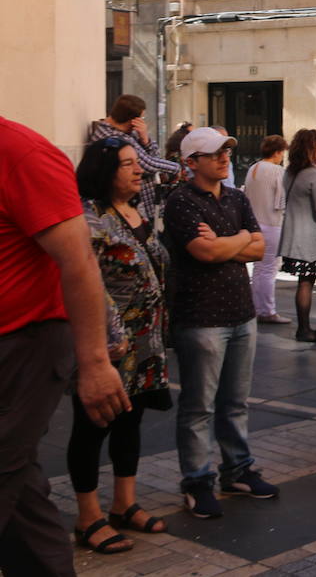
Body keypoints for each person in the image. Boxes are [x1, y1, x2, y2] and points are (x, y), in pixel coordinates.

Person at [0, 118, 129, 573]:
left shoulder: (22, 153)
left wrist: (95, 364)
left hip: (25, 343)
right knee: (19, 489)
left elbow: (79, 263)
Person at [161, 127, 276, 519]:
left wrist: (235, 239)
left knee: (235, 402)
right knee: (199, 407)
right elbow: (204, 252)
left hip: (240, 313)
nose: (225, 158)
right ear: (191, 163)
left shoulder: (237, 197)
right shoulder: (180, 202)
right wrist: (240, 240)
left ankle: (238, 469)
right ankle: (196, 480)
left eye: (227, 152)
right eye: (214, 154)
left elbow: (260, 248)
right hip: (201, 316)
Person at [68, 139, 173, 553]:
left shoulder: (138, 211)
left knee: (131, 422)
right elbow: (85, 282)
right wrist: (107, 339)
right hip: (106, 344)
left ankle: (124, 504)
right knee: (93, 426)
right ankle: (87, 516)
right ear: (104, 170)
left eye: (137, 164)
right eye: (128, 165)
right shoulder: (88, 217)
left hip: (146, 342)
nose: (138, 171)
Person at [88, 94, 183, 218]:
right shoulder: (114, 137)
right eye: (141, 118)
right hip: (128, 204)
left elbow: (156, 157)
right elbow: (148, 164)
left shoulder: (128, 133)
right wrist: (176, 168)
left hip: (140, 205)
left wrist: (145, 139)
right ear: (133, 119)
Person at [279, 130, 316, 343]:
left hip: (293, 234)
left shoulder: (290, 171)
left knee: (305, 281)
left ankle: (304, 326)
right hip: (309, 238)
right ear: (311, 148)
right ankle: (304, 329)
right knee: (307, 282)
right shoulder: (313, 173)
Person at [243, 136, 290, 325]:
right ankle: (267, 310)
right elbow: (281, 201)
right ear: (278, 152)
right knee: (270, 268)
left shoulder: (252, 168)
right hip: (272, 223)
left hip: (254, 223)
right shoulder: (277, 171)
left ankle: (257, 307)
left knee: (258, 268)